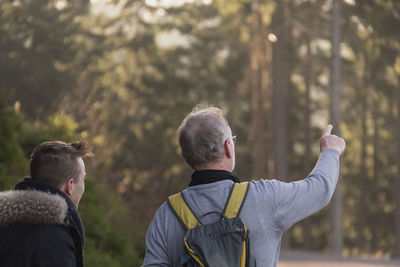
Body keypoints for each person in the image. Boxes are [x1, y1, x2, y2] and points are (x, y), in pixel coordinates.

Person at [143, 107, 346, 267]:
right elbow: (319, 189)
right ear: (228, 147)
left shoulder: (167, 214)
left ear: (184, 156)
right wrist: (330, 151)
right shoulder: (264, 197)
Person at [0, 141, 92, 267]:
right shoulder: (56, 242)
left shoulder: (6, 225)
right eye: (83, 179)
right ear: (70, 185)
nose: (83, 185)